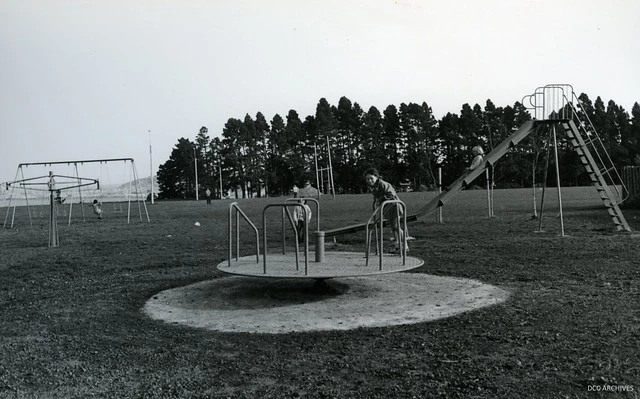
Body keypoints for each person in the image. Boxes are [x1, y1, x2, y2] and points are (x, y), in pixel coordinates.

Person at [364, 168, 408, 254]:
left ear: (376, 177)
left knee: (396, 226)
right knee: (393, 227)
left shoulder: (382, 184)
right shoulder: (373, 186)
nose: (369, 181)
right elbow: (377, 195)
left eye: (371, 178)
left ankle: (405, 246)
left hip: (394, 205)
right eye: (367, 179)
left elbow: (391, 194)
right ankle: (398, 244)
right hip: (387, 207)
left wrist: (380, 199)